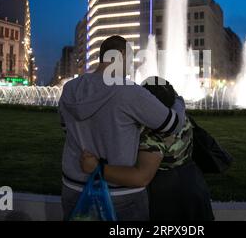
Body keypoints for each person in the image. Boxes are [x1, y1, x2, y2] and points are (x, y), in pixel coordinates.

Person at [58, 36, 186, 221]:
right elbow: (172, 124)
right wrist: (178, 101)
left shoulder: (70, 88)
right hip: (120, 195)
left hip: (73, 188)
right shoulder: (129, 92)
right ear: (122, 55)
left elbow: (66, 128)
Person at [80, 77, 215, 221]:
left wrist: (97, 168)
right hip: (193, 186)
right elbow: (177, 99)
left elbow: (142, 177)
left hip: (169, 199)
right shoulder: (179, 114)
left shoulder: (154, 135)